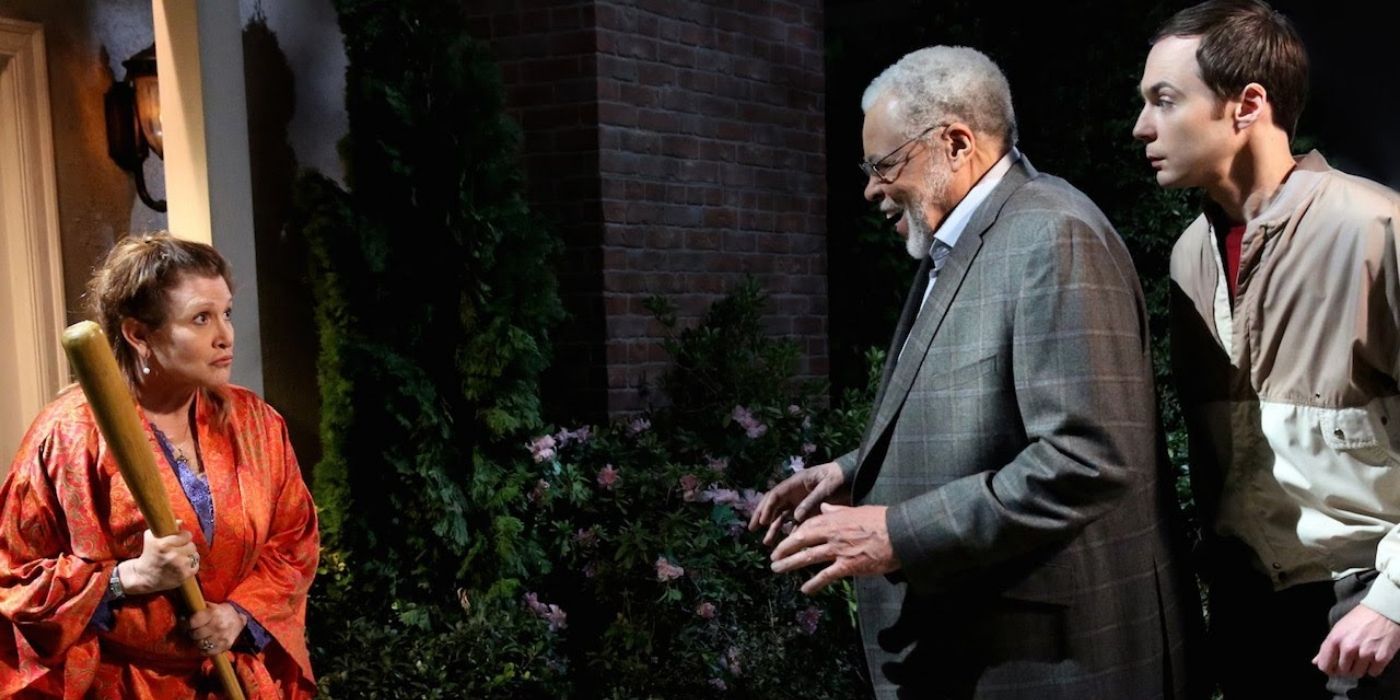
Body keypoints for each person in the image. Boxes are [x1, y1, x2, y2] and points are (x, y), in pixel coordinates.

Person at [749, 45, 1199, 698]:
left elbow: (1087, 458)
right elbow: (978, 414)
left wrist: (898, 532)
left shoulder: (1053, 236)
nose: (872, 189)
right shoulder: (971, 237)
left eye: (885, 166)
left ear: (957, 142)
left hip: (1048, 665)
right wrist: (856, 472)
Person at [1132, 1, 1400, 697]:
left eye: (1164, 99)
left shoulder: (1376, 230)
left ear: (1247, 105)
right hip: (1251, 609)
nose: (1142, 127)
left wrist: (1393, 600)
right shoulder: (1190, 255)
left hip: (1366, 612)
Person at [0, 234, 319, 698]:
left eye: (226, 313)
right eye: (200, 318)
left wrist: (239, 614)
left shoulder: (256, 423)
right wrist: (126, 578)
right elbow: (13, 578)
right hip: (122, 685)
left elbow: (293, 542)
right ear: (137, 333)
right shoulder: (68, 436)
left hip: (234, 677)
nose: (225, 335)